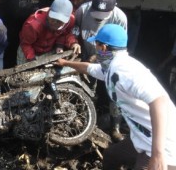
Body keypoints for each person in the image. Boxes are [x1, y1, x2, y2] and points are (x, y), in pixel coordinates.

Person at [56, 24, 176, 170]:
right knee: (112, 156)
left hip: (163, 144)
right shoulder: (111, 67)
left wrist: (158, 153)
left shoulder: (125, 70)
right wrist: (65, 63)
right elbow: (88, 68)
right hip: (141, 137)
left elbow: (159, 101)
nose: (96, 49)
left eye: (97, 45)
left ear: (104, 48)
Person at [72, 0, 127, 141]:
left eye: (102, 17)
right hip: (85, 55)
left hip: (110, 60)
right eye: (95, 14)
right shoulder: (82, 11)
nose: (98, 20)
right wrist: (74, 44)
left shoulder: (119, 17)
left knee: (114, 92)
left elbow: (119, 47)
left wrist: (96, 56)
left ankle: (115, 128)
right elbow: (74, 32)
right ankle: (87, 121)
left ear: (113, 8)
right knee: (88, 89)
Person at [17, 0, 81, 65]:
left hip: (48, 50)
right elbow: (26, 44)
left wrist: (71, 43)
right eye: (53, 18)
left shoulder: (71, 20)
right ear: (49, 12)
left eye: (60, 21)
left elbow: (65, 34)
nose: (55, 22)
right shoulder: (33, 24)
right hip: (28, 50)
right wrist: (32, 60)